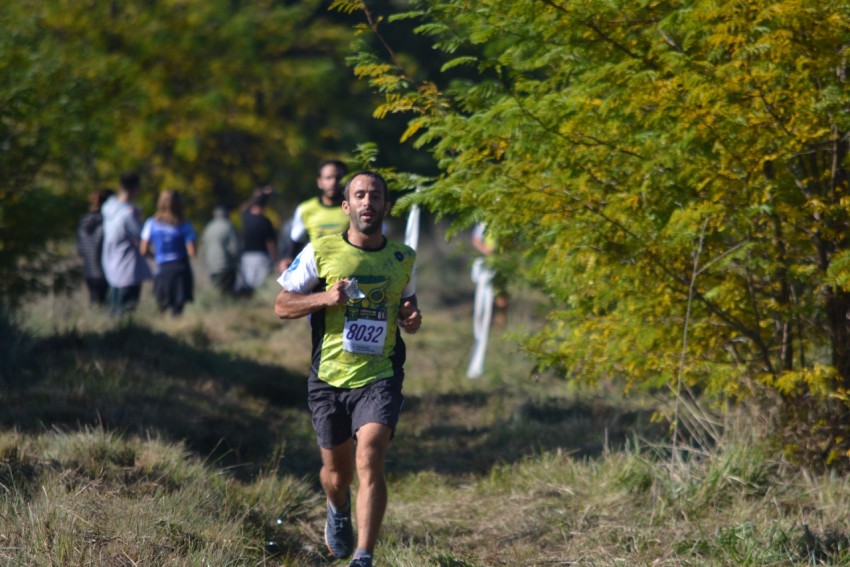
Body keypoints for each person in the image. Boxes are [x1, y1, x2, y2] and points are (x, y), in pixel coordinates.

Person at [275, 171, 422, 567]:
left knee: (370, 454)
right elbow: (282, 304)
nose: (368, 202)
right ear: (346, 206)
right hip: (329, 378)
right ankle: (336, 507)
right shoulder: (320, 251)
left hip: (380, 375)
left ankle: (364, 555)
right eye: (360, 195)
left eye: (375, 196)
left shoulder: (402, 257)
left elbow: (408, 306)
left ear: (385, 206)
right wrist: (324, 297)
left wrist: (411, 317)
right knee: (336, 475)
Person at [279, 160, 350, 271]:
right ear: (319, 182)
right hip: (315, 273)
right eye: (328, 178)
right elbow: (296, 241)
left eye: (338, 177)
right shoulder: (306, 209)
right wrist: (287, 259)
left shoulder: (354, 209)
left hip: (349, 270)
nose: (333, 182)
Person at [101, 172, 152, 315]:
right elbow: (141, 238)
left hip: (111, 269)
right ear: (134, 189)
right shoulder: (128, 214)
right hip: (127, 271)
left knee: (114, 313)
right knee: (125, 314)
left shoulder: (108, 209)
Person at [140, 189, 197, 316]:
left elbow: (143, 250)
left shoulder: (151, 223)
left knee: (162, 306)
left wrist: (156, 257)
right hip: (180, 268)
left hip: (162, 269)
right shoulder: (185, 225)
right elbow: (192, 252)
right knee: (177, 309)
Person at [236, 187, 277, 295]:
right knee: (260, 287)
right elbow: (270, 243)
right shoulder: (265, 222)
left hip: (246, 256)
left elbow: (243, 207)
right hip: (261, 257)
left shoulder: (246, 218)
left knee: (248, 285)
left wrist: (256, 196)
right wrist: (274, 259)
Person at [77, 188, 114, 305]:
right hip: (105, 272)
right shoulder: (107, 222)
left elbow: (80, 249)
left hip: (88, 271)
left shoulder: (84, 221)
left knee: (95, 304)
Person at [201, 205, 240, 295]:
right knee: (228, 293)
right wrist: (237, 259)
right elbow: (234, 248)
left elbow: (203, 247)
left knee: (217, 291)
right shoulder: (228, 226)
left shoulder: (209, 227)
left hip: (212, 265)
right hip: (226, 265)